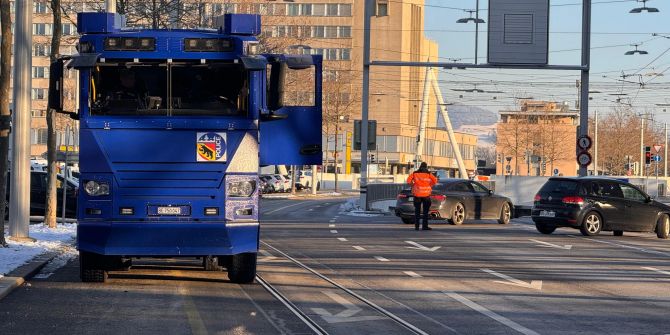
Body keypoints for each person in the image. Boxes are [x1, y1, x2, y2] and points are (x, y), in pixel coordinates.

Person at [406, 162, 438, 230]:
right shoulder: (428, 174)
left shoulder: (415, 173)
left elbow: (408, 181)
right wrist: (430, 185)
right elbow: (435, 181)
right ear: (426, 167)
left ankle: (416, 226)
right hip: (426, 195)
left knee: (417, 211)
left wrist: (413, 185)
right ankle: (424, 226)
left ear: (420, 166)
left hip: (417, 194)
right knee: (425, 212)